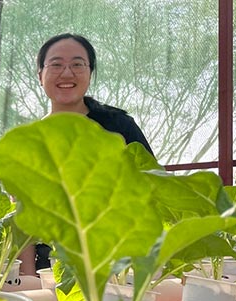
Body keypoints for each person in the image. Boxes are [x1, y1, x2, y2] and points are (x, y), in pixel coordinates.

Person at [29, 33, 155, 270]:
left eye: (77, 64)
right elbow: (23, 217)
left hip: (117, 260)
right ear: (40, 75)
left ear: (90, 73)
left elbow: (153, 187)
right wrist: (27, 276)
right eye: (56, 65)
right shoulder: (29, 140)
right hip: (50, 264)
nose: (67, 73)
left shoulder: (119, 126)